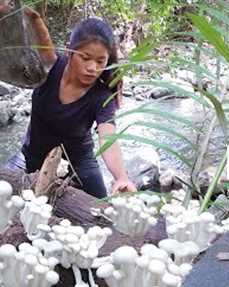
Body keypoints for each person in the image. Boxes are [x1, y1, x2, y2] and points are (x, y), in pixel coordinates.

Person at [1, 3, 136, 198]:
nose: (92, 67)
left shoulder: (101, 95)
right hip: (31, 156)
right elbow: (37, 28)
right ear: (71, 53)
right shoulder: (50, 67)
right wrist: (14, 11)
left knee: (100, 209)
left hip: (78, 163)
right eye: (85, 57)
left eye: (100, 61)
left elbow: (108, 137)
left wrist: (122, 177)